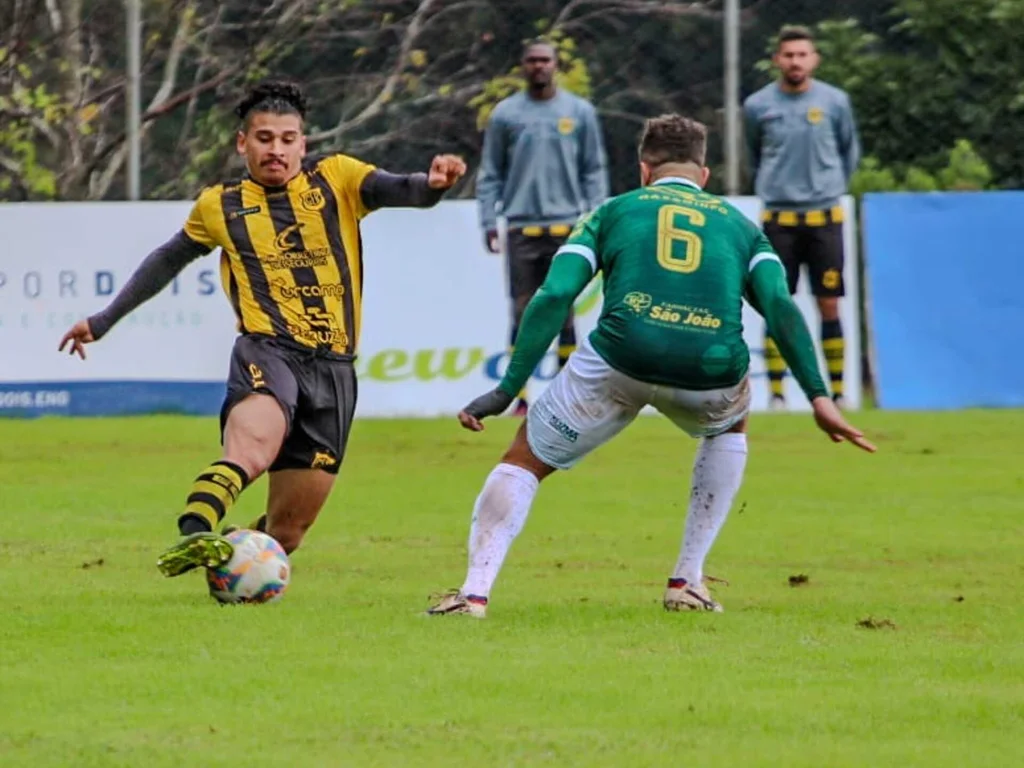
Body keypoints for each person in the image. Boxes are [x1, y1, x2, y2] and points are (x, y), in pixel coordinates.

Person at [427, 114, 874, 619]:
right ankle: (687, 581)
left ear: (644, 170)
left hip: (621, 358)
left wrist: (509, 388)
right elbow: (781, 306)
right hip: (710, 371)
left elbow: (554, 294)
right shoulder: (740, 226)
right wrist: (819, 396)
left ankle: (474, 593)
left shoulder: (612, 212)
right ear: (705, 175)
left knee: (525, 458)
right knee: (732, 420)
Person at [58, 80, 466, 577]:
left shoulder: (337, 179)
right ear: (242, 143)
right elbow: (166, 260)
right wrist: (102, 321)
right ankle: (195, 531)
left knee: (286, 533)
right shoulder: (220, 205)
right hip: (268, 349)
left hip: (335, 369)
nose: (277, 149)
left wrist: (437, 184)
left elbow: (405, 190)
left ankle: (231, 555)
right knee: (253, 449)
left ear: (303, 143)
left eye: (288, 139)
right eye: (265, 138)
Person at [477, 38, 609, 416]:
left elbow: (593, 169)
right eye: (532, 60)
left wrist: (595, 217)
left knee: (565, 309)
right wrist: (488, 219)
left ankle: (566, 395)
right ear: (522, 65)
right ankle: (518, 397)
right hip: (520, 227)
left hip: (566, 226)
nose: (539, 66)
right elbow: (490, 173)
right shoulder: (505, 114)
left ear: (556, 65)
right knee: (522, 312)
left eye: (545, 60)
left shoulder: (579, 112)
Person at [743, 25, 861, 410]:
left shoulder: (835, 101)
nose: (795, 61)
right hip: (780, 220)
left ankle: (839, 392)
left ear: (814, 59)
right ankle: (777, 395)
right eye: (788, 54)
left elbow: (849, 152)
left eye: (802, 54)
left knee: (829, 302)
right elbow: (753, 154)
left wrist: (828, 186)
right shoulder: (758, 105)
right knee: (777, 301)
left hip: (825, 216)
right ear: (777, 59)